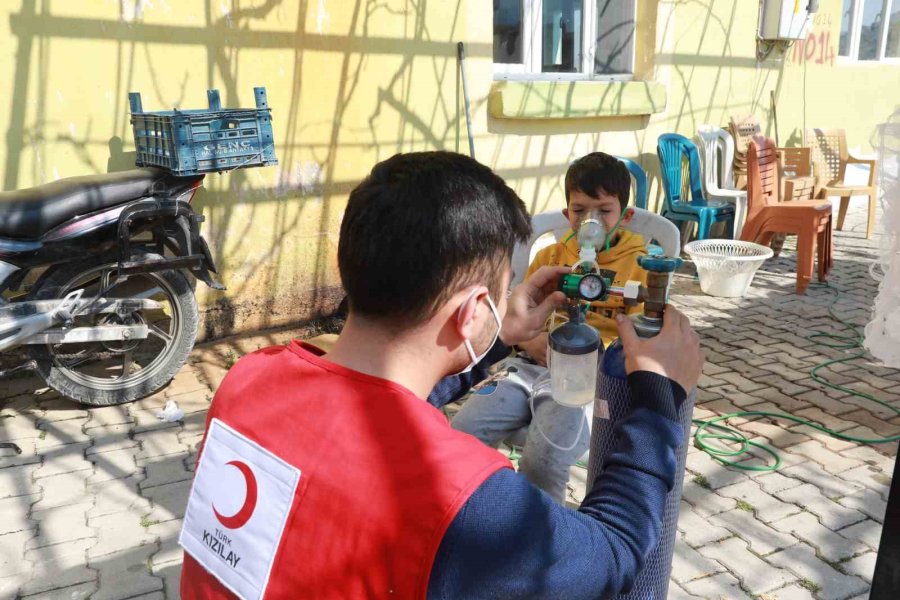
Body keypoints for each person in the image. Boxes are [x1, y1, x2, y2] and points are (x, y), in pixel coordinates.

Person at [179, 151, 703, 600]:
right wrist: (660, 394)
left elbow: (389, 398)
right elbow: (612, 556)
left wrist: (501, 337)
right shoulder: (459, 496)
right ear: (472, 309)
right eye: (500, 295)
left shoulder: (249, 381)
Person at [451, 152, 649, 502]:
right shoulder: (551, 259)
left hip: (584, 381)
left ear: (625, 215)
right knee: (461, 436)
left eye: (604, 211)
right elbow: (518, 325)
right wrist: (532, 344)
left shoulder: (639, 266)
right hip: (526, 368)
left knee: (543, 462)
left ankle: (538, 540)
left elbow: (641, 341)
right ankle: (467, 516)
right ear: (566, 214)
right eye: (580, 210)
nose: (591, 221)